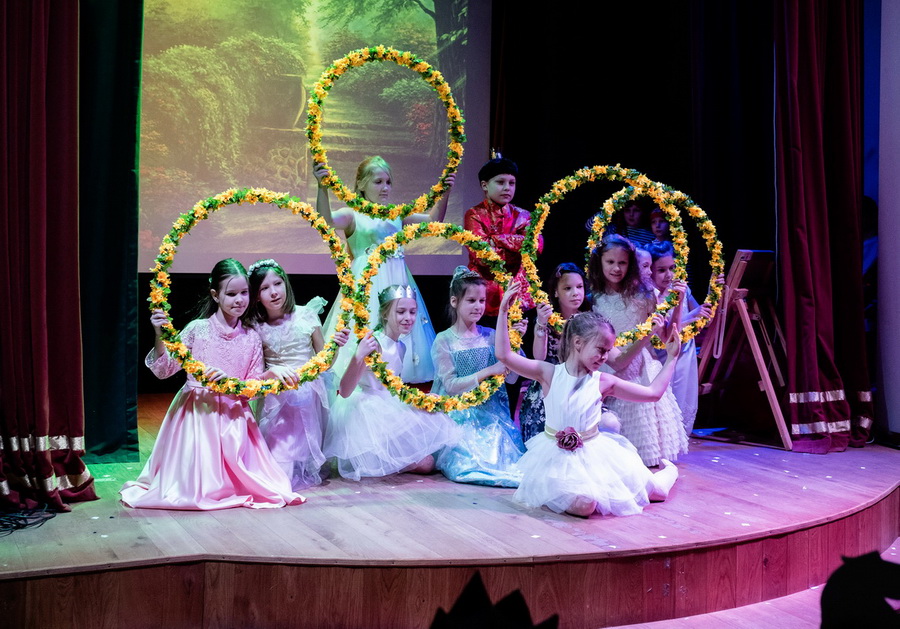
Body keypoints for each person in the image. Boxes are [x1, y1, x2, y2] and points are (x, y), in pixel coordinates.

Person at [121, 259, 304, 510]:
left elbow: (251, 388)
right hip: (197, 415)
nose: (239, 300)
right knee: (193, 483)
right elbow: (164, 370)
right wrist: (159, 336)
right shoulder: (198, 330)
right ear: (215, 295)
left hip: (233, 417)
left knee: (266, 485)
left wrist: (259, 377)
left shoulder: (250, 337)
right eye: (231, 294)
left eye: (244, 293)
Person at [495, 283, 680, 517]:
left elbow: (653, 393)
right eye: (600, 349)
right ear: (578, 343)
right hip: (556, 458)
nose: (604, 357)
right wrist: (502, 312)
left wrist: (672, 358)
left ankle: (668, 472)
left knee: (657, 493)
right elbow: (504, 355)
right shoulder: (549, 373)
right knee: (585, 505)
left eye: (608, 350)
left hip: (595, 455)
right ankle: (552, 490)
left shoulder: (603, 381)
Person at [316, 156, 454, 383]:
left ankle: (399, 373)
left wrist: (445, 193)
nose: (385, 187)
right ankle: (361, 376)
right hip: (367, 284)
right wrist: (322, 188)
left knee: (402, 324)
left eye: (388, 182)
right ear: (361, 184)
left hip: (396, 280)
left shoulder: (396, 214)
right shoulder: (353, 214)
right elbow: (327, 220)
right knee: (367, 324)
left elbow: (432, 220)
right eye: (378, 182)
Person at [323, 285, 460, 480]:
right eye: (401, 311)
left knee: (431, 454)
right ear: (386, 314)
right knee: (427, 463)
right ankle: (387, 462)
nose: (408, 318)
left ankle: (394, 460)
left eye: (412, 312)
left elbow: (394, 387)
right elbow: (345, 390)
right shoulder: (375, 343)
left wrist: (419, 399)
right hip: (367, 412)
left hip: (389, 405)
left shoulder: (400, 346)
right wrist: (358, 356)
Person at [247, 259, 350, 490]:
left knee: (298, 462)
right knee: (277, 467)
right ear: (256, 295)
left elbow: (324, 362)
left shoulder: (306, 315)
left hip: (307, 394)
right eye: (264, 288)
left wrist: (336, 346)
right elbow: (255, 368)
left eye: (278, 283)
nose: (274, 292)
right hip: (276, 396)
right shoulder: (255, 325)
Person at [588, 235, 688, 466]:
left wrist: (679, 302)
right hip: (608, 365)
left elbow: (665, 337)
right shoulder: (594, 299)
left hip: (641, 368)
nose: (616, 268)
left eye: (622, 263)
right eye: (610, 262)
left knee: (645, 454)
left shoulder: (645, 295)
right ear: (599, 263)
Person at [431, 267, 525, 487]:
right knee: (467, 462)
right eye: (471, 300)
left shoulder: (492, 336)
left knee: (505, 458)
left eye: (482, 300)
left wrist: (515, 343)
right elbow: (452, 386)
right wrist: (489, 370)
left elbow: (511, 379)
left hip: (492, 415)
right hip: (460, 414)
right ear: (455, 302)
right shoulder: (444, 340)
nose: (478, 306)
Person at [517, 263, 593, 441]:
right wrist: (541, 323)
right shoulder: (547, 319)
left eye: (580, 287)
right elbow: (539, 357)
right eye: (568, 288)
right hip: (549, 384)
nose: (575, 293)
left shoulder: (590, 320)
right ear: (556, 292)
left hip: (580, 383)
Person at [647, 241, 716, 436]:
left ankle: (681, 437)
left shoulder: (683, 290)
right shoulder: (651, 297)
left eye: (672, 268)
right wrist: (693, 316)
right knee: (668, 396)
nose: (668, 275)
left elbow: (700, 314)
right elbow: (666, 331)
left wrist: (711, 295)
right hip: (664, 355)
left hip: (686, 351)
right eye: (661, 270)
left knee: (685, 395)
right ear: (650, 271)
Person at [464, 156, 542, 317]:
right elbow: (483, 257)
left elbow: (534, 247)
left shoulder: (523, 215)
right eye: (500, 182)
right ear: (484, 185)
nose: (507, 188)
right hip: (484, 296)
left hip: (518, 295)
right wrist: (516, 248)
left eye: (511, 183)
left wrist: (497, 239)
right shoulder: (474, 215)